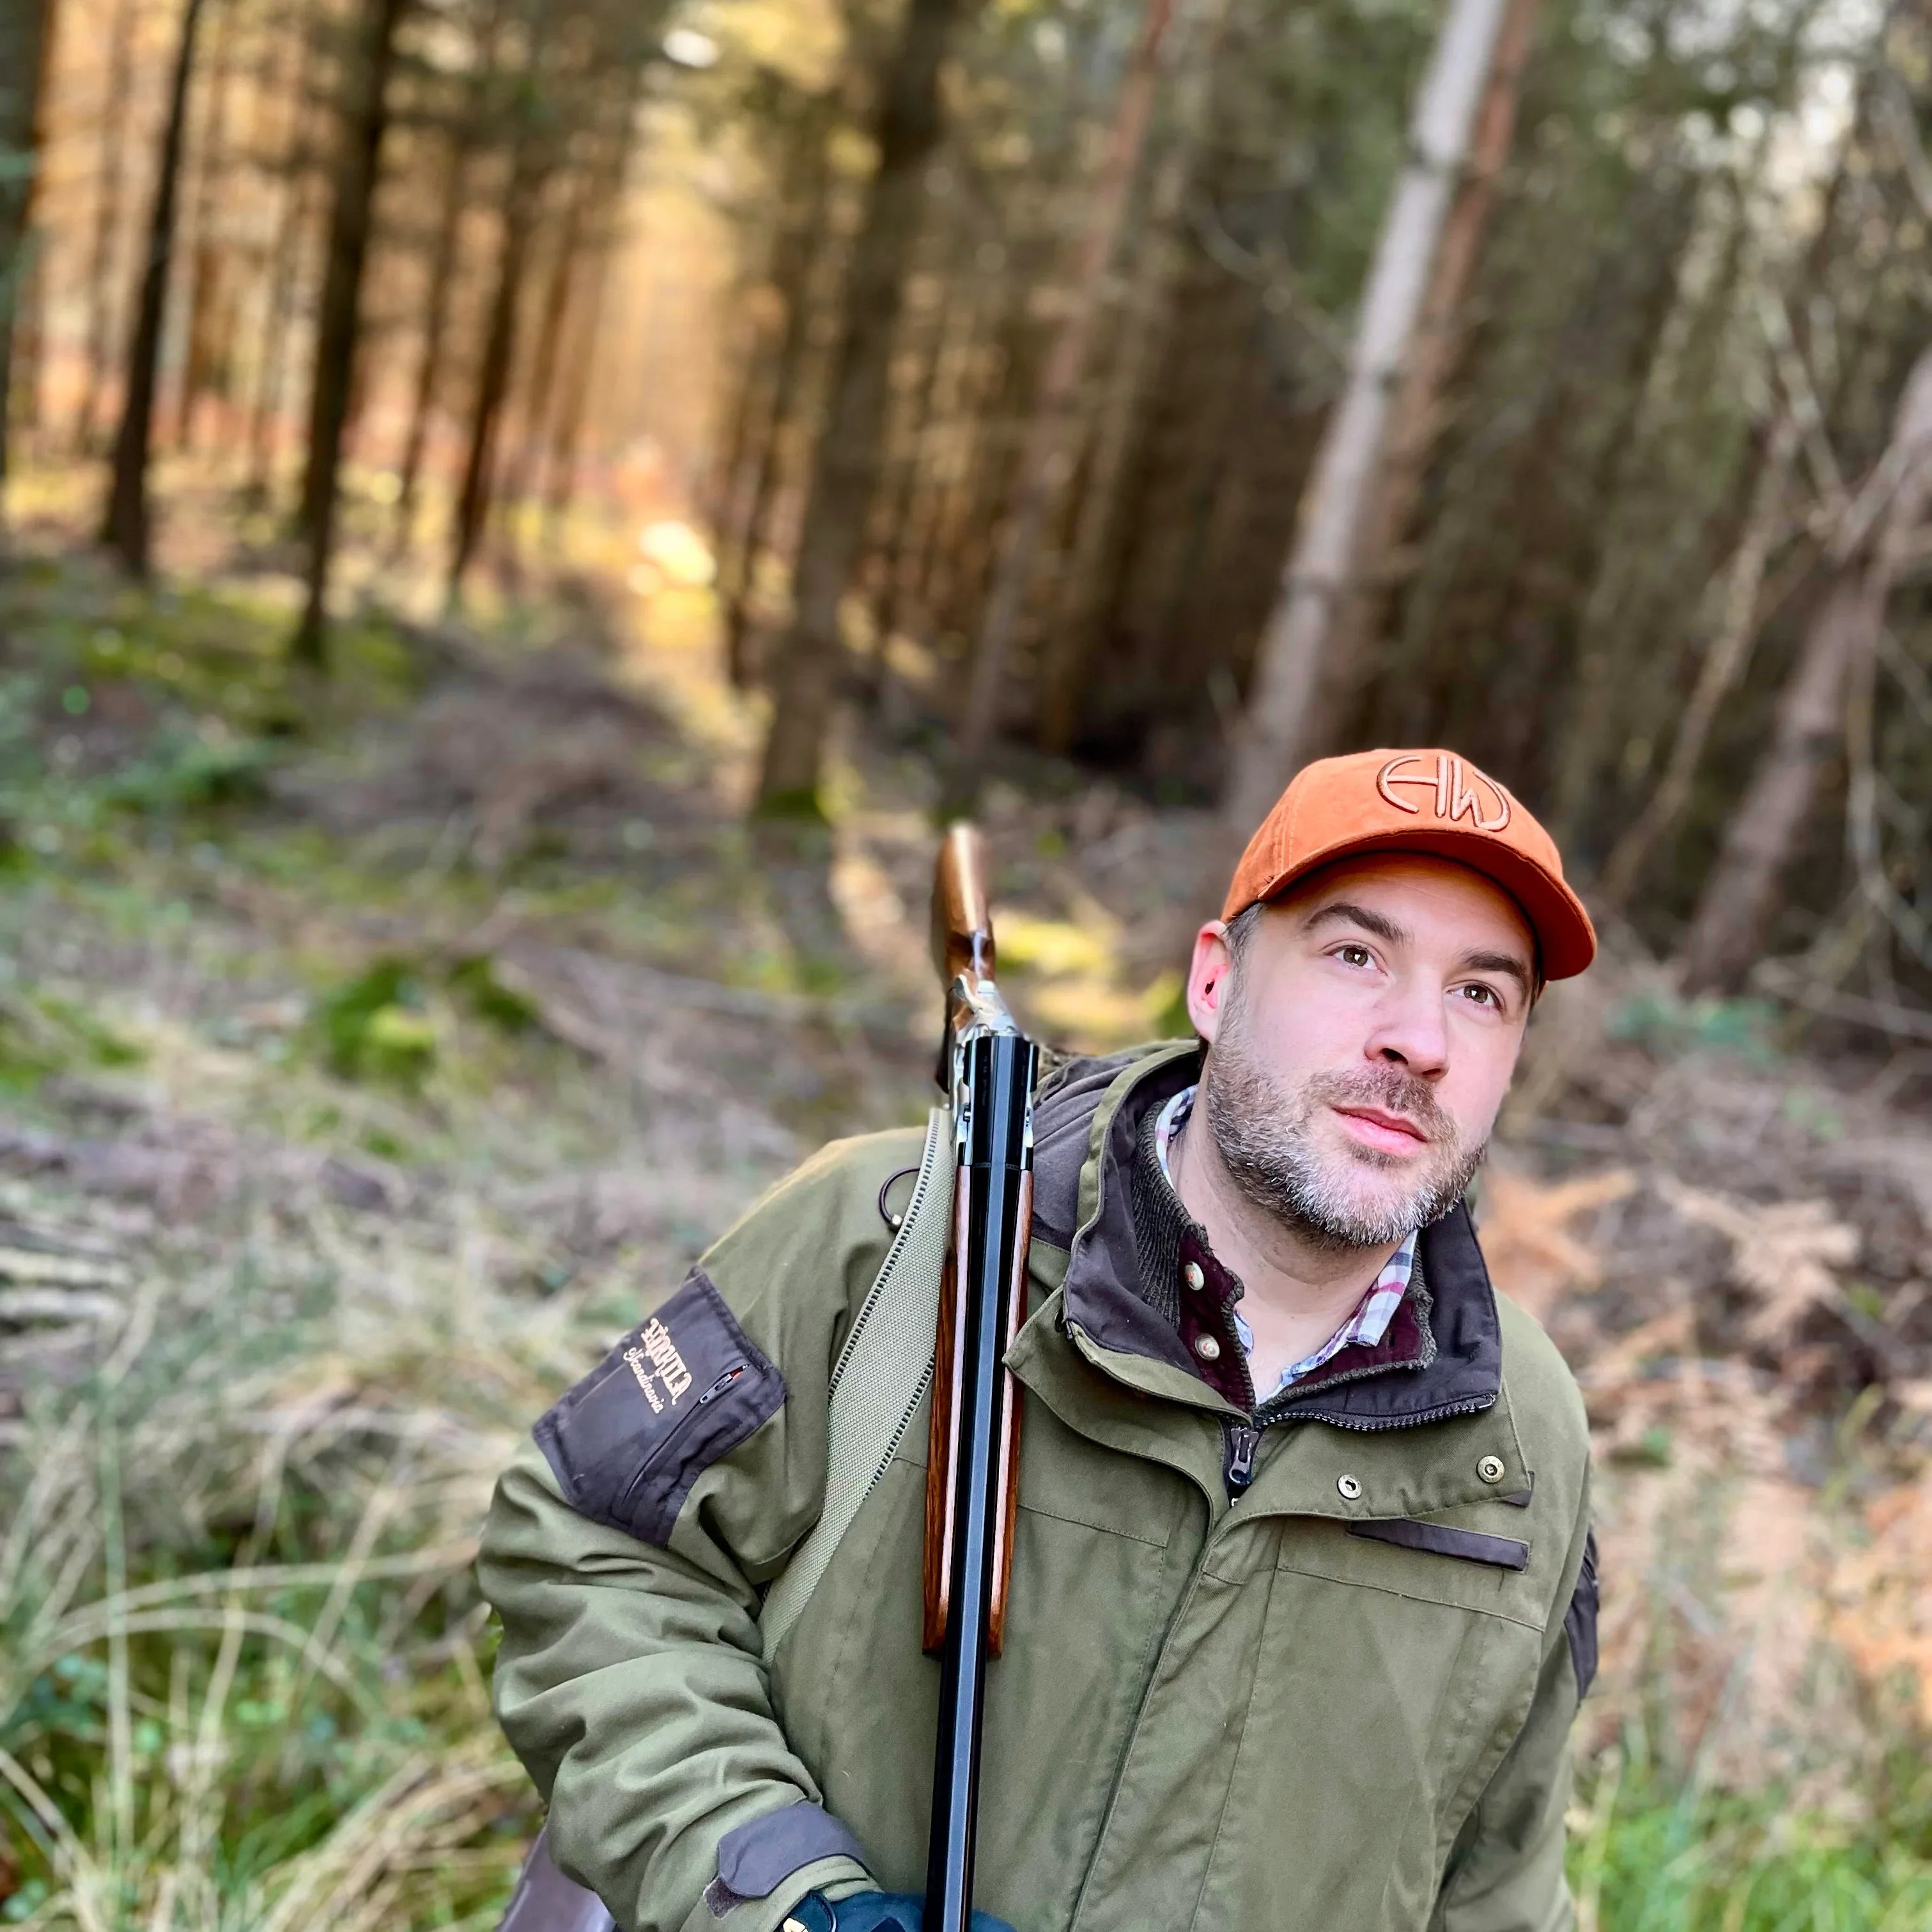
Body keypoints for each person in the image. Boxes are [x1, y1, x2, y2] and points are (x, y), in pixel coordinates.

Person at [478, 747, 1602, 1932]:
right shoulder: (899, 1240)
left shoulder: (1524, 1436)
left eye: (1482, 992)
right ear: (1215, 982)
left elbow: (1497, 1884)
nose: (1418, 1039)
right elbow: (591, 1550)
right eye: (1356, 954)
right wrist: (781, 1899)